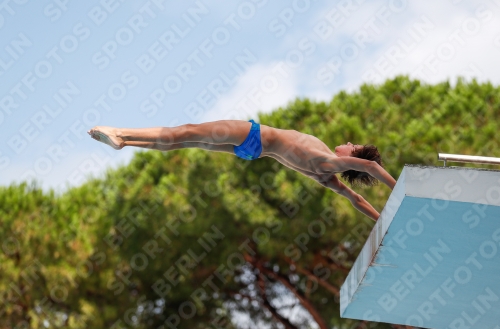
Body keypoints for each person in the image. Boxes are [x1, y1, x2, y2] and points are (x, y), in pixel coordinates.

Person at [88, 119, 396, 221]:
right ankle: (124, 140)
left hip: (252, 137)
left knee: (185, 131)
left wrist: (401, 190)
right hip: (253, 152)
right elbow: (355, 200)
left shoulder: (330, 162)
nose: (348, 142)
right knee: (185, 142)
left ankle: (122, 135)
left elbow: (369, 166)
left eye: (352, 146)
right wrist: (381, 221)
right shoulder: (325, 175)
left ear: (352, 158)